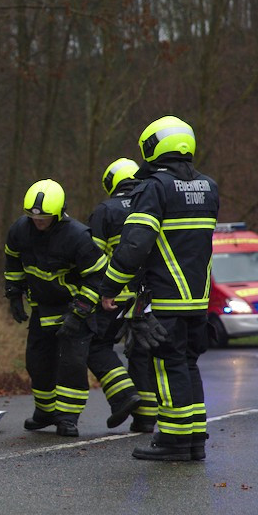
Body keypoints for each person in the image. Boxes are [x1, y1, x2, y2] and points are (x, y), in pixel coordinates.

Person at [99, 116, 219, 461]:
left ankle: (174, 441)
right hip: (199, 299)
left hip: (166, 297)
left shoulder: (155, 187)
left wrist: (111, 287)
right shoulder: (209, 187)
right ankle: (195, 438)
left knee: (168, 367)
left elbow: (135, 245)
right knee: (189, 363)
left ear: (152, 147)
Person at [4, 179, 108, 437]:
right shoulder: (20, 230)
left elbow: (97, 277)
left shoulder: (77, 236)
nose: (38, 222)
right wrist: (13, 294)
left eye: (44, 218)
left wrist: (80, 312)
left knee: (71, 365)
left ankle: (68, 418)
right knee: (37, 362)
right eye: (33, 218)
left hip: (73, 308)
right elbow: (13, 261)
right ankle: (45, 412)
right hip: (42, 309)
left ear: (59, 213)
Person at [87, 158, 150, 432]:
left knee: (96, 346)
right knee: (142, 353)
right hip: (147, 298)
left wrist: (92, 295)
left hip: (113, 296)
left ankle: (123, 396)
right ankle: (146, 418)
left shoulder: (105, 210)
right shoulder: (151, 204)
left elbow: (93, 259)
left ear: (111, 183)